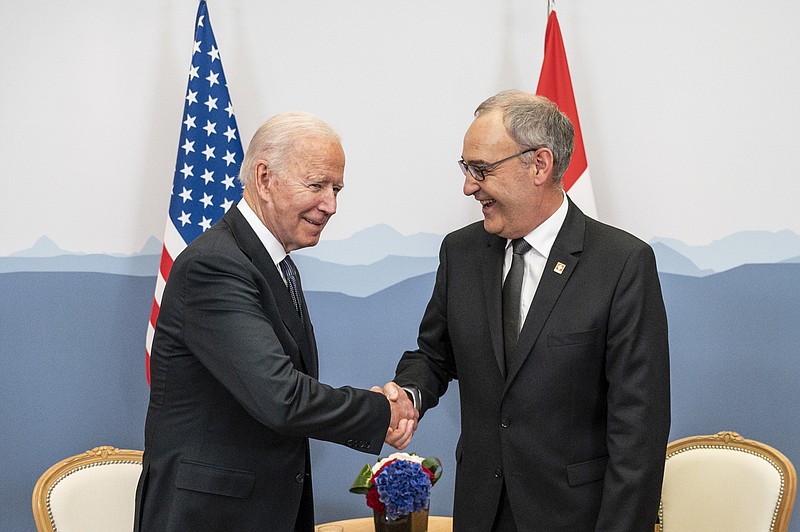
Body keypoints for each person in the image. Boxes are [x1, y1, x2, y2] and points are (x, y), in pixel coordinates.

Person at [383, 90, 670, 531]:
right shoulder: (461, 252)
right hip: (482, 512)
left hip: (573, 517)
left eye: (481, 169)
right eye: (466, 168)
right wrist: (410, 395)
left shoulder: (621, 263)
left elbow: (638, 432)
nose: (468, 185)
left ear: (539, 165)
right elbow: (435, 356)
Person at [134, 112, 417, 532]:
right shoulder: (215, 265)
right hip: (210, 519)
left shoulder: (273, 262)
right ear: (264, 178)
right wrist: (380, 411)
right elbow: (280, 397)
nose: (331, 205)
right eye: (317, 184)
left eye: (336, 189)